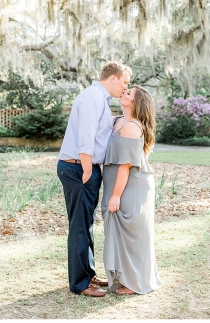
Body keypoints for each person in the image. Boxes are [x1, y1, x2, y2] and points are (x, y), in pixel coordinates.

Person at [57, 61, 132, 297]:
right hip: (78, 168)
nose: (125, 87)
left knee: (86, 224)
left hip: (84, 168)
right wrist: (88, 171)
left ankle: (88, 274)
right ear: (113, 78)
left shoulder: (100, 99)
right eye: (125, 82)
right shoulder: (92, 97)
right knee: (80, 226)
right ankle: (80, 283)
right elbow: (86, 137)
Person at [101, 85, 161, 295]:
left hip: (132, 186)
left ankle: (135, 282)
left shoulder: (132, 127)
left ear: (135, 103)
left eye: (128, 93)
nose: (123, 92)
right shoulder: (118, 121)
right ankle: (124, 277)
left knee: (131, 231)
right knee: (119, 230)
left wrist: (116, 195)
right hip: (117, 183)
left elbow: (125, 166)